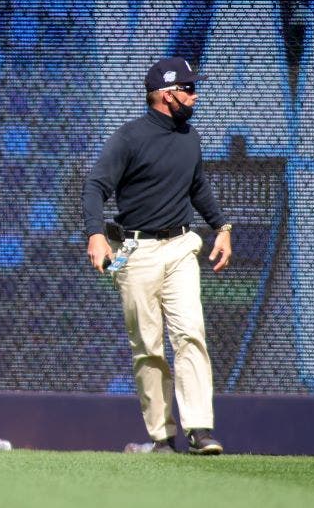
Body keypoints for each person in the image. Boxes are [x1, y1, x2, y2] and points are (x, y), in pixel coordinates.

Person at [82, 57, 232, 456]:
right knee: (148, 346)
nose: (194, 94)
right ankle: (162, 437)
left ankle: (199, 428)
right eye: (187, 88)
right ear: (167, 95)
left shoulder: (190, 137)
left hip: (182, 246)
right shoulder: (129, 138)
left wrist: (223, 227)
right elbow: (95, 186)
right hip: (137, 250)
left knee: (190, 335)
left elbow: (197, 187)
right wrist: (96, 235)